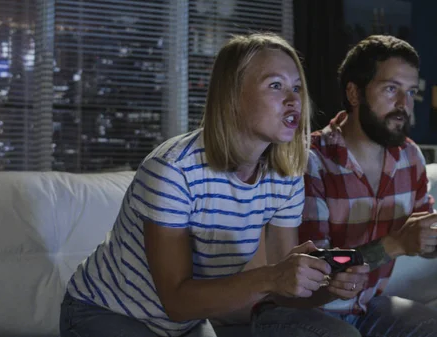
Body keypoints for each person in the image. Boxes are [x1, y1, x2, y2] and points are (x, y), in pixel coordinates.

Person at [59, 33, 335, 337]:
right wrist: (271, 277)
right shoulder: (173, 169)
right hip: (104, 311)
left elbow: (284, 288)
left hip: (186, 322)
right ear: (232, 95)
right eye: (275, 85)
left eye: (296, 87)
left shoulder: (287, 173)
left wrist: (329, 285)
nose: (293, 98)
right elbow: (176, 300)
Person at [252, 35, 437, 336]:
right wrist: (397, 244)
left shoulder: (410, 157)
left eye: (411, 92)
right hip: (295, 309)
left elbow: (419, 234)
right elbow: (317, 271)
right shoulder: (309, 160)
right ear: (354, 93)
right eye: (391, 89)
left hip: (366, 307)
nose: (404, 105)